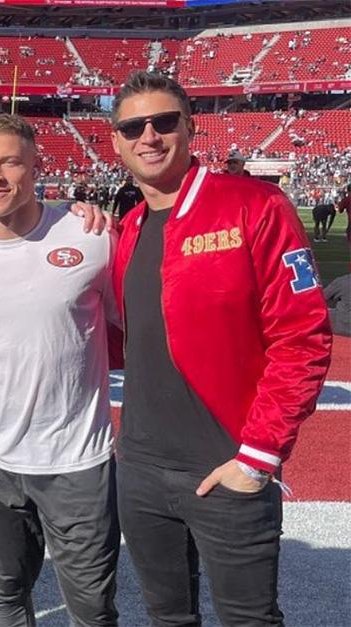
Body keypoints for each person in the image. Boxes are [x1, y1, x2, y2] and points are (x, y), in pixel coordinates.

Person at [108, 71, 332, 626]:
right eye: (133, 126)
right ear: (116, 142)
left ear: (190, 127)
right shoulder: (130, 226)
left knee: (247, 620)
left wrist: (257, 458)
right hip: (139, 469)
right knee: (167, 618)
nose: (149, 137)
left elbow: (303, 337)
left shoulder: (254, 205)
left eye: (164, 122)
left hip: (227, 465)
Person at [0, 114, 120, 627]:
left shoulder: (91, 236)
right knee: (5, 598)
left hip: (77, 458)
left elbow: (134, 323)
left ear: (36, 166)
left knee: (93, 609)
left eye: (10, 162)